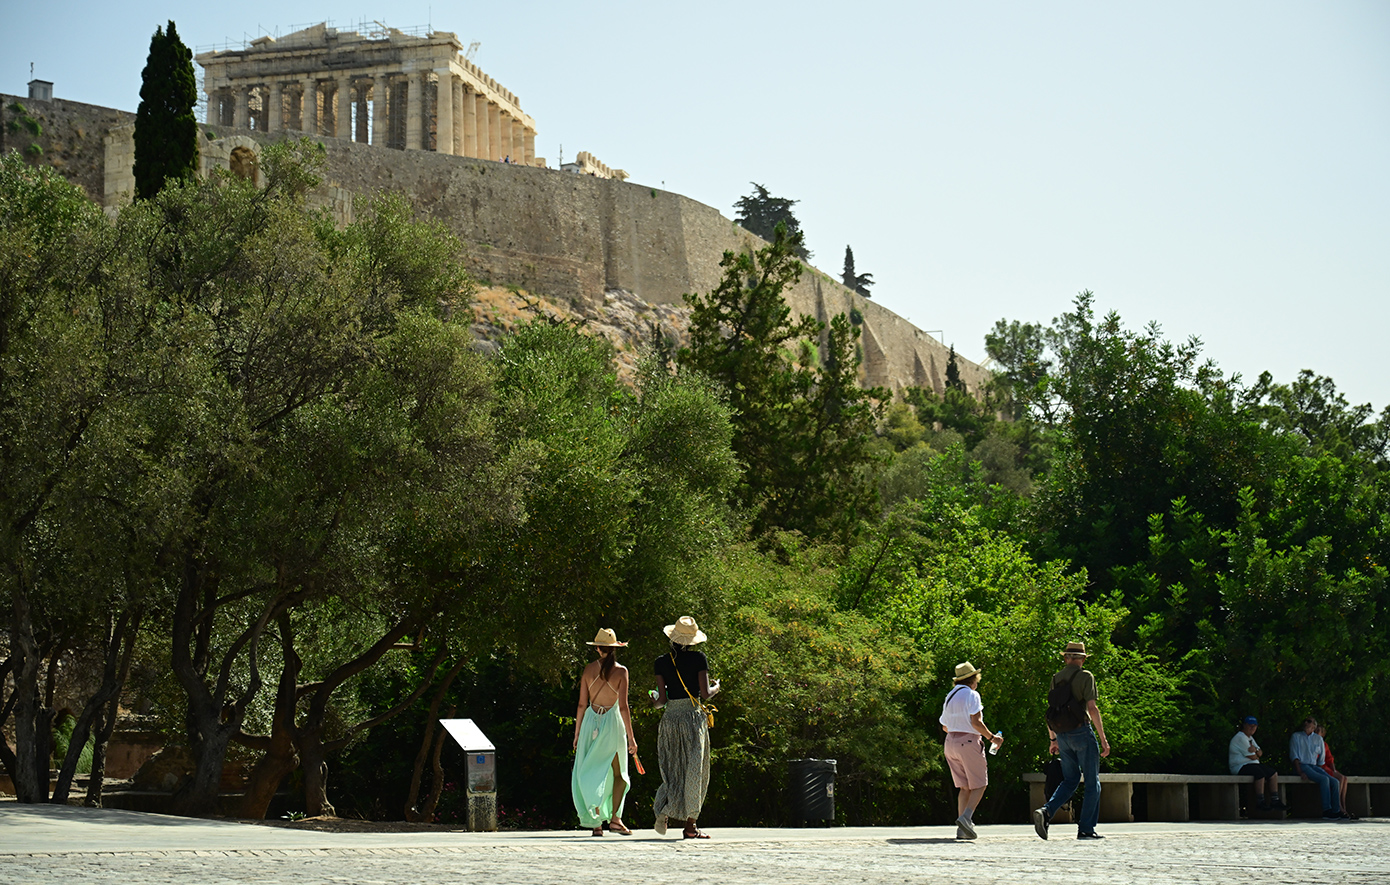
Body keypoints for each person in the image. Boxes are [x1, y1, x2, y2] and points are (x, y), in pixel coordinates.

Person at [1032, 641, 1111, 841]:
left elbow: (1051, 712)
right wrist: (1103, 739)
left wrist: (1053, 740)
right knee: (1093, 783)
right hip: (1081, 733)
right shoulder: (1086, 676)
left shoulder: (1056, 678)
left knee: (1070, 780)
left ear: (1066, 658)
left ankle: (1046, 811)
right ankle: (1086, 828)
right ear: (1083, 659)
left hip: (1062, 736)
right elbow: (1092, 708)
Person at [651, 616, 720, 839]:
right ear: (692, 641)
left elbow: (661, 701)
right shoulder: (699, 659)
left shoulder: (661, 662)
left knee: (672, 770)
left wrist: (653, 698)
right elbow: (706, 692)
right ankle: (690, 826)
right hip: (692, 718)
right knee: (694, 772)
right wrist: (716, 687)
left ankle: (664, 809)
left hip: (670, 717)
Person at [571, 628, 637, 836]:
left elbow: (582, 705)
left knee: (589, 769)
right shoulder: (621, 671)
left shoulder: (588, 670)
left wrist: (577, 733)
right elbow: (624, 707)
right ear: (615, 648)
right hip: (612, 723)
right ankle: (615, 819)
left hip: (591, 721)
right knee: (619, 774)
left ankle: (595, 821)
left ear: (598, 648)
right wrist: (631, 738)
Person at [938, 661, 1004, 840]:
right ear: (973, 679)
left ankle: (961, 830)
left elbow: (944, 725)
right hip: (968, 742)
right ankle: (966, 818)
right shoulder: (972, 695)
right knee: (980, 784)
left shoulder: (950, 696)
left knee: (964, 787)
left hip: (950, 742)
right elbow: (976, 722)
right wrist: (992, 738)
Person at [1289, 716, 1344, 820]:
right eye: (1304, 721)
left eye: (1309, 721)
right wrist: (1300, 771)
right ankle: (1326, 810)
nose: (1306, 723)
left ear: (1314, 726)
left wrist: (1320, 770)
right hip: (1303, 765)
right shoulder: (1296, 736)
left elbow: (1321, 759)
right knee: (1324, 779)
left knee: (1335, 782)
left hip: (1314, 766)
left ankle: (1336, 811)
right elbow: (1294, 756)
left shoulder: (1318, 739)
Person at [1228, 716, 1284, 812]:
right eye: (1250, 725)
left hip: (1252, 764)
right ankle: (1260, 802)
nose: (1252, 728)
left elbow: (1260, 752)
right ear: (1244, 726)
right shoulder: (1240, 738)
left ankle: (1275, 800)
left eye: (1255, 726)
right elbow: (1253, 757)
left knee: (1273, 773)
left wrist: (1256, 751)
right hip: (1240, 766)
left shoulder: (1250, 738)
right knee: (1259, 774)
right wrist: (1256, 754)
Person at [1317, 724, 1355, 819]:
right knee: (1339, 779)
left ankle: (1343, 805)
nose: (1317, 733)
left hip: (1327, 766)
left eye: (1319, 731)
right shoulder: (1314, 744)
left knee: (1344, 778)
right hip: (1321, 767)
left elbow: (1330, 758)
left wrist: (1333, 769)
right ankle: (1339, 807)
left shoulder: (1324, 744)